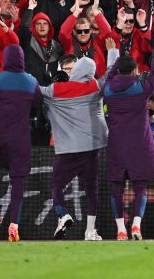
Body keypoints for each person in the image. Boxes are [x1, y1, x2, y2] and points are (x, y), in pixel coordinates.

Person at [104, 33, 154, 240]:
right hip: (140, 144)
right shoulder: (141, 88)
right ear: (135, 71)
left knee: (117, 188)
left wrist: (121, 54)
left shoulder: (108, 89)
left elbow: (110, 75)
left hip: (116, 145)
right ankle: (136, 226)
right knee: (140, 186)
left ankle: (121, 229)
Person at [40, 54, 108, 241]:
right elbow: (110, 73)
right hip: (91, 149)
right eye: (67, 69)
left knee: (56, 186)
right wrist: (113, 53)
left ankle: (62, 215)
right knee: (91, 190)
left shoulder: (55, 89)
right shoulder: (94, 86)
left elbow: (34, 91)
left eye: (72, 68)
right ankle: (90, 231)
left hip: (67, 151)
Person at [0, 44, 40, 243]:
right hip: (20, 137)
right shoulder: (31, 81)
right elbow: (37, 107)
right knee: (18, 181)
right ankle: (14, 224)